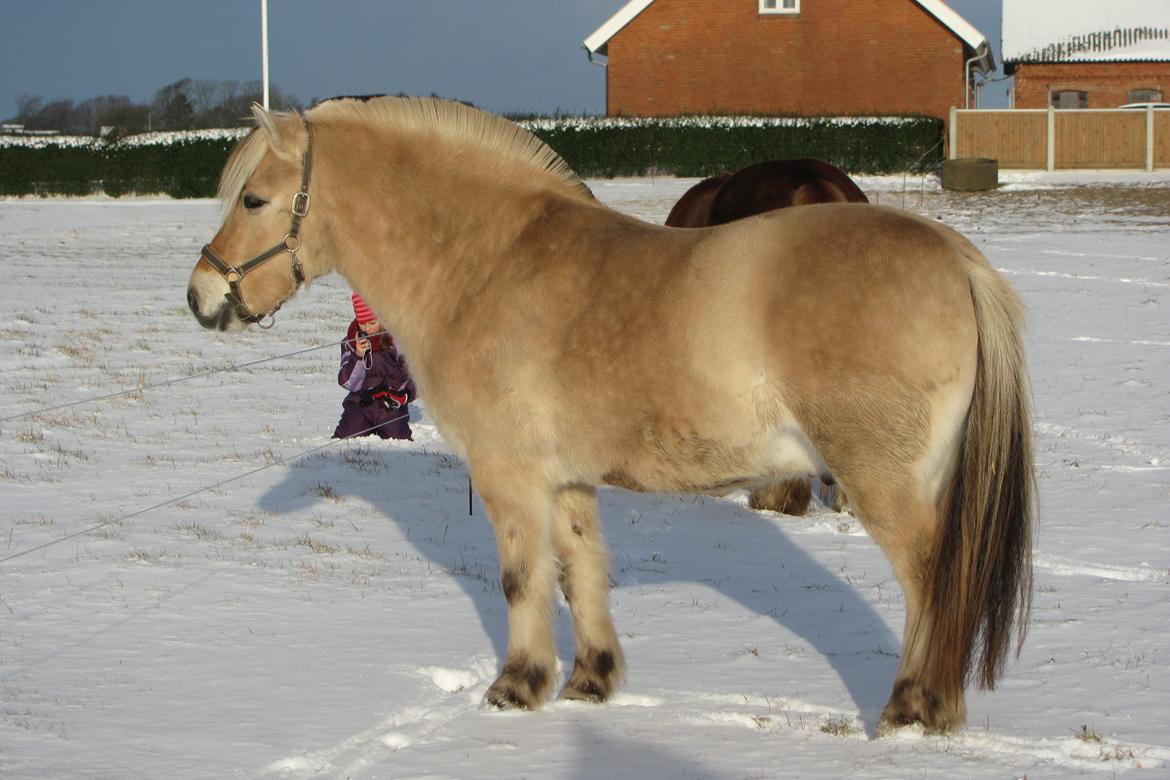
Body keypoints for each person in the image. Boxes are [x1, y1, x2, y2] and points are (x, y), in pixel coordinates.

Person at [332, 292, 417, 440]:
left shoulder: (398, 341)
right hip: (360, 403)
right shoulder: (350, 343)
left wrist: (404, 395)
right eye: (362, 323)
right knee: (345, 437)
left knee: (398, 438)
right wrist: (358, 356)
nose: (367, 328)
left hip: (390, 406)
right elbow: (347, 382)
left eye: (372, 323)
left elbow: (415, 376)